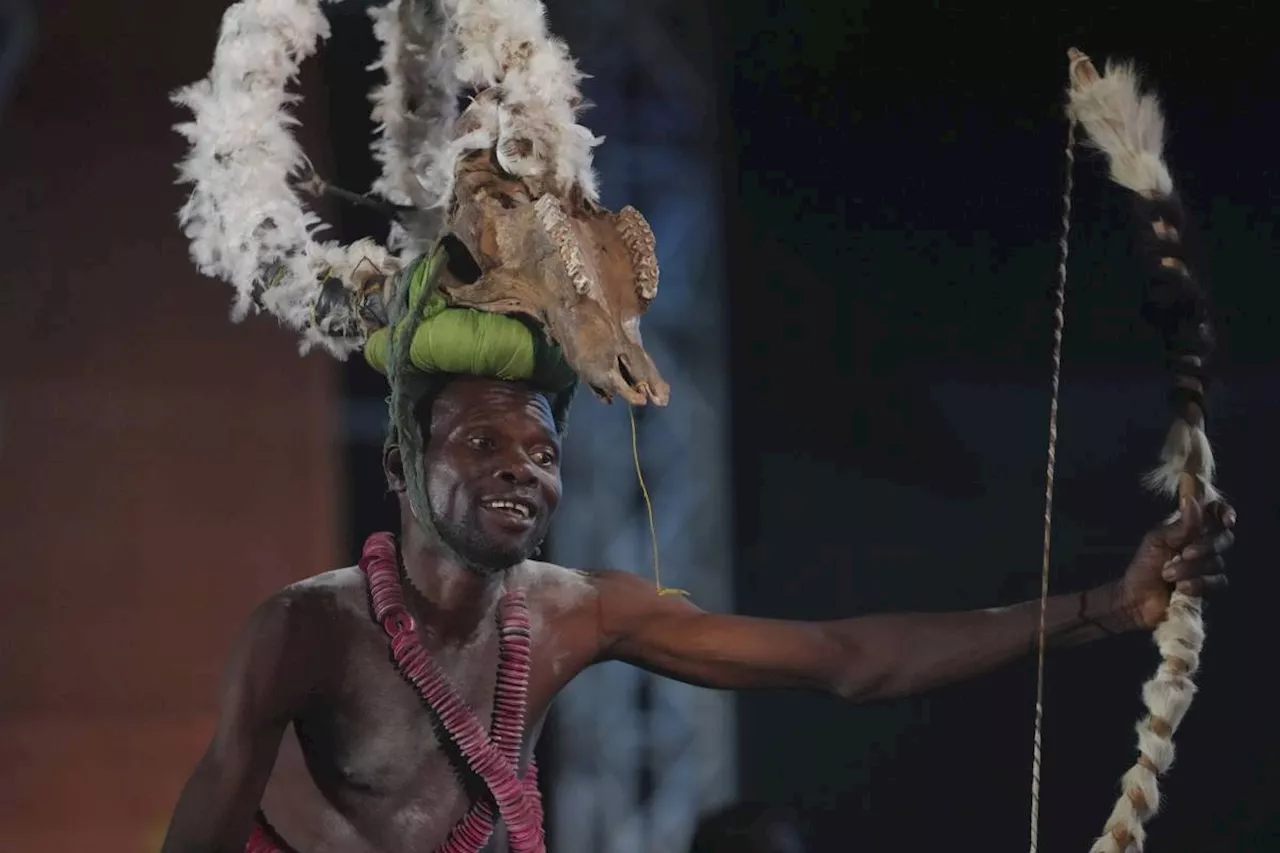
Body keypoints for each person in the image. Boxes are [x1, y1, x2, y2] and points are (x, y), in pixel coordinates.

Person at [162, 2, 1235, 852]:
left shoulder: (576, 615)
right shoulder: (303, 633)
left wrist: (1108, 605)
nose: (523, 470)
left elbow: (845, 659)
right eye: (483, 442)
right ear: (399, 461)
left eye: (541, 448)